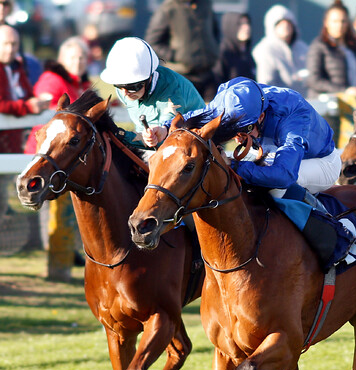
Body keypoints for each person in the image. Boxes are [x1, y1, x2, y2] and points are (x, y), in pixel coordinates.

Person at [147, 77, 340, 210]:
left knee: (273, 187)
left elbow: (284, 175)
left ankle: (332, 231)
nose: (237, 137)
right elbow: (200, 117)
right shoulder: (233, 98)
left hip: (321, 162)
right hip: (271, 151)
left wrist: (234, 166)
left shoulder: (293, 118)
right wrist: (163, 129)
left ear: (261, 116)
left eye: (244, 130)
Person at [23, 36, 90, 282]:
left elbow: (102, 100)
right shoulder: (53, 80)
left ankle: (66, 258)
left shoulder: (79, 83)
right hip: (45, 156)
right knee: (53, 208)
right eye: (73, 57)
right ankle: (57, 266)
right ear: (62, 59)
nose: (79, 61)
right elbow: (54, 116)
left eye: (82, 57)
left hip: (61, 157)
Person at [99, 37, 205, 151]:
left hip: (194, 147)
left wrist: (121, 135)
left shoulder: (171, 92)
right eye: (118, 86)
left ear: (149, 78)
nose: (124, 93)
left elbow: (162, 141)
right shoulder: (125, 91)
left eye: (132, 87)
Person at [0, 24, 48, 221]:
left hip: (12, 141)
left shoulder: (18, 67)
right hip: (4, 139)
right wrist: (28, 108)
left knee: (4, 192)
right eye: (6, 44)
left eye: (14, 44)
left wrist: (37, 102)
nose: (10, 49)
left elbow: (27, 94)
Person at [145, 0, 219, 101]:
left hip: (207, 73)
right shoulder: (168, 8)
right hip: (181, 75)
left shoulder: (205, 4)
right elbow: (153, 42)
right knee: (186, 114)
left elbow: (215, 31)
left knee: (211, 114)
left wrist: (213, 49)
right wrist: (176, 55)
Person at [306, 0, 356, 99]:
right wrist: (344, 91)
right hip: (327, 106)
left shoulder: (355, 47)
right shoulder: (319, 45)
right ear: (326, 22)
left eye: (343, 21)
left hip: (352, 103)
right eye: (335, 21)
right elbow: (314, 80)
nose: (339, 25)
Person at [252, 5, 309, 94]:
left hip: (305, 101)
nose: (285, 26)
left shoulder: (303, 48)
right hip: (279, 103)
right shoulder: (265, 49)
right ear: (272, 26)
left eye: (288, 22)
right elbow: (265, 84)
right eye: (279, 23)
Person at [214, 12, 255, 83]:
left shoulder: (247, 53)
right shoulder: (223, 53)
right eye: (240, 24)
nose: (246, 27)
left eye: (247, 23)